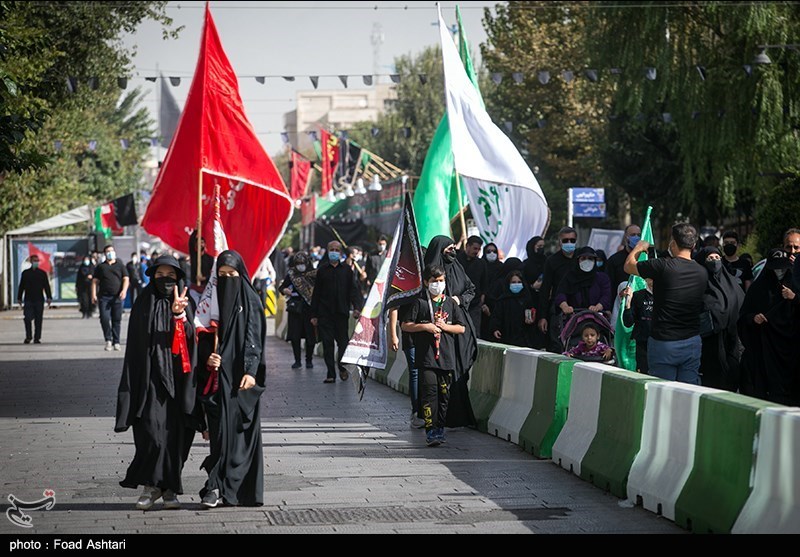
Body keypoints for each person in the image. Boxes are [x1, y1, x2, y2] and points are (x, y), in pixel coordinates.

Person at [115, 255, 198, 510]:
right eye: (160, 276)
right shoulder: (143, 302)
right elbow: (137, 346)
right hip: (150, 381)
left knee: (176, 437)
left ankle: (170, 488)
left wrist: (179, 315)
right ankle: (151, 485)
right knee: (151, 434)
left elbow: (193, 341)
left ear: (178, 278)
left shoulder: (187, 302)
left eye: (170, 277)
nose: (165, 281)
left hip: (179, 381)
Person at [198, 250, 267, 508]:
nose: (227, 279)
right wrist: (208, 356)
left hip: (241, 382)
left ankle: (229, 488)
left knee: (237, 437)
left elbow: (254, 337)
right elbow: (202, 336)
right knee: (218, 435)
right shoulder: (210, 302)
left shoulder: (250, 298)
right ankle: (214, 486)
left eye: (232, 275)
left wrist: (250, 370)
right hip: (217, 380)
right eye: (222, 275)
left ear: (241, 274)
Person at [624, 224, 707, 384]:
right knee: (688, 394)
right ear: (694, 245)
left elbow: (628, 266)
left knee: (661, 394)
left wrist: (639, 248)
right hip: (692, 341)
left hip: (664, 343)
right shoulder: (702, 272)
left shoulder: (662, 266)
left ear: (673, 243)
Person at [401, 264, 466, 447]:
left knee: (444, 396)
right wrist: (425, 327)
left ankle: (440, 429)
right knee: (430, 395)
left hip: (446, 357)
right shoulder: (419, 302)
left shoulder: (450, 303)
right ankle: (431, 432)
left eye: (440, 281)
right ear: (426, 282)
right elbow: (406, 325)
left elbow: (461, 328)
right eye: (434, 281)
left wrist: (445, 327)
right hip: (426, 358)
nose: (438, 284)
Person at [423, 235, 478, 427]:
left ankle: (459, 416)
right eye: (448, 249)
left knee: (459, 372)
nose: (453, 252)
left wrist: (458, 300)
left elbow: (471, 289)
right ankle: (434, 418)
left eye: (454, 248)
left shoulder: (457, 268)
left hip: (457, 328)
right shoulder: (428, 273)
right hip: (435, 333)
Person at [738, 248, 799, 405]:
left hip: (791, 348)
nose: (779, 272)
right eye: (776, 268)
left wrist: (795, 298)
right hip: (765, 349)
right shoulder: (759, 287)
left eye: (783, 268)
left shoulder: (794, 285)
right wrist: (753, 318)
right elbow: (744, 315)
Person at [311, 241, 363, 383]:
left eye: (336, 249)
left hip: (341, 314)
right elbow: (316, 294)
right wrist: (314, 315)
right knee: (327, 344)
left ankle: (342, 367)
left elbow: (354, 290)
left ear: (340, 253)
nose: (334, 251)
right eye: (331, 249)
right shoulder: (322, 270)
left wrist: (357, 307)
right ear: (327, 251)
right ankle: (330, 373)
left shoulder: (347, 270)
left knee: (343, 343)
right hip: (325, 314)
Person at [694, 247, 744, 391]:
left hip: (732, 340)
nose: (715, 261)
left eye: (717, 258)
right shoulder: (699, 284)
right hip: (709, 342)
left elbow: (741, 305)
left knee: (731, 375)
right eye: (710, 258)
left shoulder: (731, 283)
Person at [538, 226, 579, 351]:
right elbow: (545, 289)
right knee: (557, 345)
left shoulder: (582, 258)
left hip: (580, 308)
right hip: (558, 310)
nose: (569, 243)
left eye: (572, 240)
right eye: (565, 240)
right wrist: (542, 316)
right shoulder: (552, 261)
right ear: (560, 242)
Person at [279, 252, 317, 369]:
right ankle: (297, 360)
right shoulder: (291, 275)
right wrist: (285, 290)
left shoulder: (314, 274)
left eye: (302, 263)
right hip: (295, 309)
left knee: (310, 336)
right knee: (295, 336)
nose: (300, 266)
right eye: (298, 263)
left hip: (310, 309)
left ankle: (309, 360)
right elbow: (282, 287)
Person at [553, 247, 612, 322]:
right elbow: (560, 293)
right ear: (578, 261)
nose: (586, 261)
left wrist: (598, 306)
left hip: (596, 318)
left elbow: (606, 295)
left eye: (590, 259)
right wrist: (565, 306)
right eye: (583, 258)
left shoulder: (602, 278)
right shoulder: (569, 277)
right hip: (574, 318)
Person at [92, 244, 129, 351]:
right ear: (105, 254)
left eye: (112, 251)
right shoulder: (101, 267)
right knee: (104, 318)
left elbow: (126, 278)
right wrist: (93, 294)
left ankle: (116, 342)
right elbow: (95, 281)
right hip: (104, 297)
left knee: (116, 319)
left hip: (117, 297)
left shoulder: (120, 265)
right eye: (108, 251)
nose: (110, 253)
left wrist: (124, 291)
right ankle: (108, 339)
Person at [489, 270, 536, 347]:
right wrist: (495, 329)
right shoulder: (503, 300)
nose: (516, 284)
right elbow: (496, 316)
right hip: (506, 336)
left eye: (519, 282)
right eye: (513, 282)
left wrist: (530, 321)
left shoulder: (526, 299)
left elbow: (531, 315)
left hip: (523, 338)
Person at [456, 235, 488, 335]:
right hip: (458, 302)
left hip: (475, 303)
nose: (476, 251)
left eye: (478, 249)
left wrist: (482, 296)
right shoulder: (457, 260)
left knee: (473, 332)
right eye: (474, 248)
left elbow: (484, 282)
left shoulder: (481, 263)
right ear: (467, 246)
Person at [621, 279, 654, 373]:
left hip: (661, 342)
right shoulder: (638, 295)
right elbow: (628, 323)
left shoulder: (667, 295)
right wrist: (627, 303)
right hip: (642, 342)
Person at [17, 254, 52, 344]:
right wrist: (19, 298)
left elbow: (46, 286)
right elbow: (21, 286)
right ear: (31, 262)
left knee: (38, 319)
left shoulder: (42, 273)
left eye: (37, 261)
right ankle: (28, 336)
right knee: (27, 318)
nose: (36, 262)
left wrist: (49, 297)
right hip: (28, 299)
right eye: (34, 261)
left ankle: (37, 338)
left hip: (39, 299)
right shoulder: (25, 273)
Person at [605, 224, 642, 293]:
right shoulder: (614, 260)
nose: (636, 238)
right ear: (626, 237)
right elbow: (609, 285)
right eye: (633, 235)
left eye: (639, 235)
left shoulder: (645, 258)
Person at [479, 242, 504, 341]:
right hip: (482, 305)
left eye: (494, 251)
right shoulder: (480, 265)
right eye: (488, 251)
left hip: (497, 305)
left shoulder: (501, 267)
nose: (492, 253)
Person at [188, 231, 214, 304]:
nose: (200, 244)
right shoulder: (193, 256)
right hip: (194, 288)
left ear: (205, 244)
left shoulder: (210, 259)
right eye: (198, 243)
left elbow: (213, 273)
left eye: (202, 242)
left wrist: (204, 278)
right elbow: (191, 241)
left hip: (205, 288)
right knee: (195, 305)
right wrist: (196, 230)